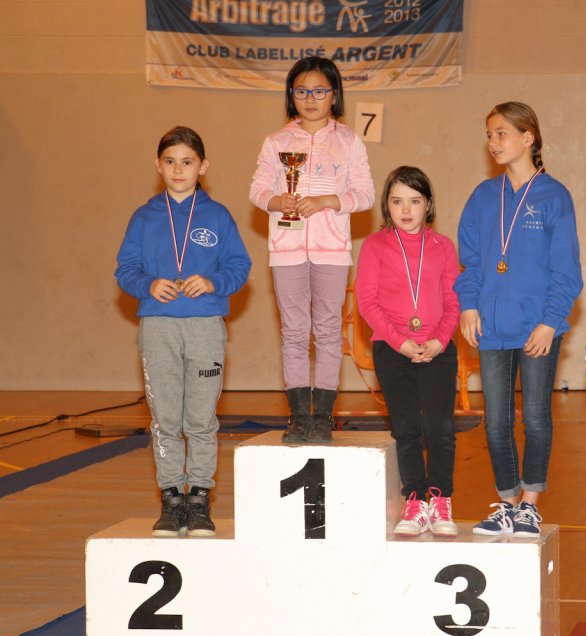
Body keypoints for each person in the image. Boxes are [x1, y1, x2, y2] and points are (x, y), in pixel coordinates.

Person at [115, 126, 252, 537]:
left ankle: (200, 500)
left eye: (187, 162)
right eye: (170, 161)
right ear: (158, 166)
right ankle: (172, 499)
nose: (178, 169)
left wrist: (213, 282)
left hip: (205, 326)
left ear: (202, 167)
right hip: (158, 326)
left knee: (201, 418)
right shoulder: (144, 217)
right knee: (165, 418)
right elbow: (125, 269)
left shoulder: (218, 215)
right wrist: (147, 285)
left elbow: (239, 266)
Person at [455, 101, 583, 538]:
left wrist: (550, 321)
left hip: (537, 327)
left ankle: (530, 504)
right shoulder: (482, 196)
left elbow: (566, 269)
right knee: (496, 423)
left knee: (536, 418)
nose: (493, 142)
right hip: (491, 327)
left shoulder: (554, 196)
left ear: (528, 138)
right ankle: (507, 503)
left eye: (502, 133)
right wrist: (468, 305)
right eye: (489, 134)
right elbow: (471, 261)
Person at [250, 56, 374, 443]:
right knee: (293, 332)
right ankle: (298, 416)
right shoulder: (276, 142)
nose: (310, 98)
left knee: (328, 331)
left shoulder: (349, 142)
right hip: (286, 250)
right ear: (292, 96)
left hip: (332, 251)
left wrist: (327, 201)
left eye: (319, 91)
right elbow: (257, 190)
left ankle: (323, 416)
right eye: (302, 91)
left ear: (334, 95)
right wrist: (277, 201)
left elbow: (366, 195)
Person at [355, 166, 460, 537]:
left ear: (428, 205)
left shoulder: (443, 246)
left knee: (440, 427)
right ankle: (414, 500)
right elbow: (367, 302)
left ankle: (440, 499)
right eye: (397, 201)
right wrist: (399, 341)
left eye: (414, 201)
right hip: (392, 350)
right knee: (407, 428)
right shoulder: (374, 246)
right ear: (386, 204)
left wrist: (439, 340)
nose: (405, 209)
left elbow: (453, 300)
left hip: (438, 349)